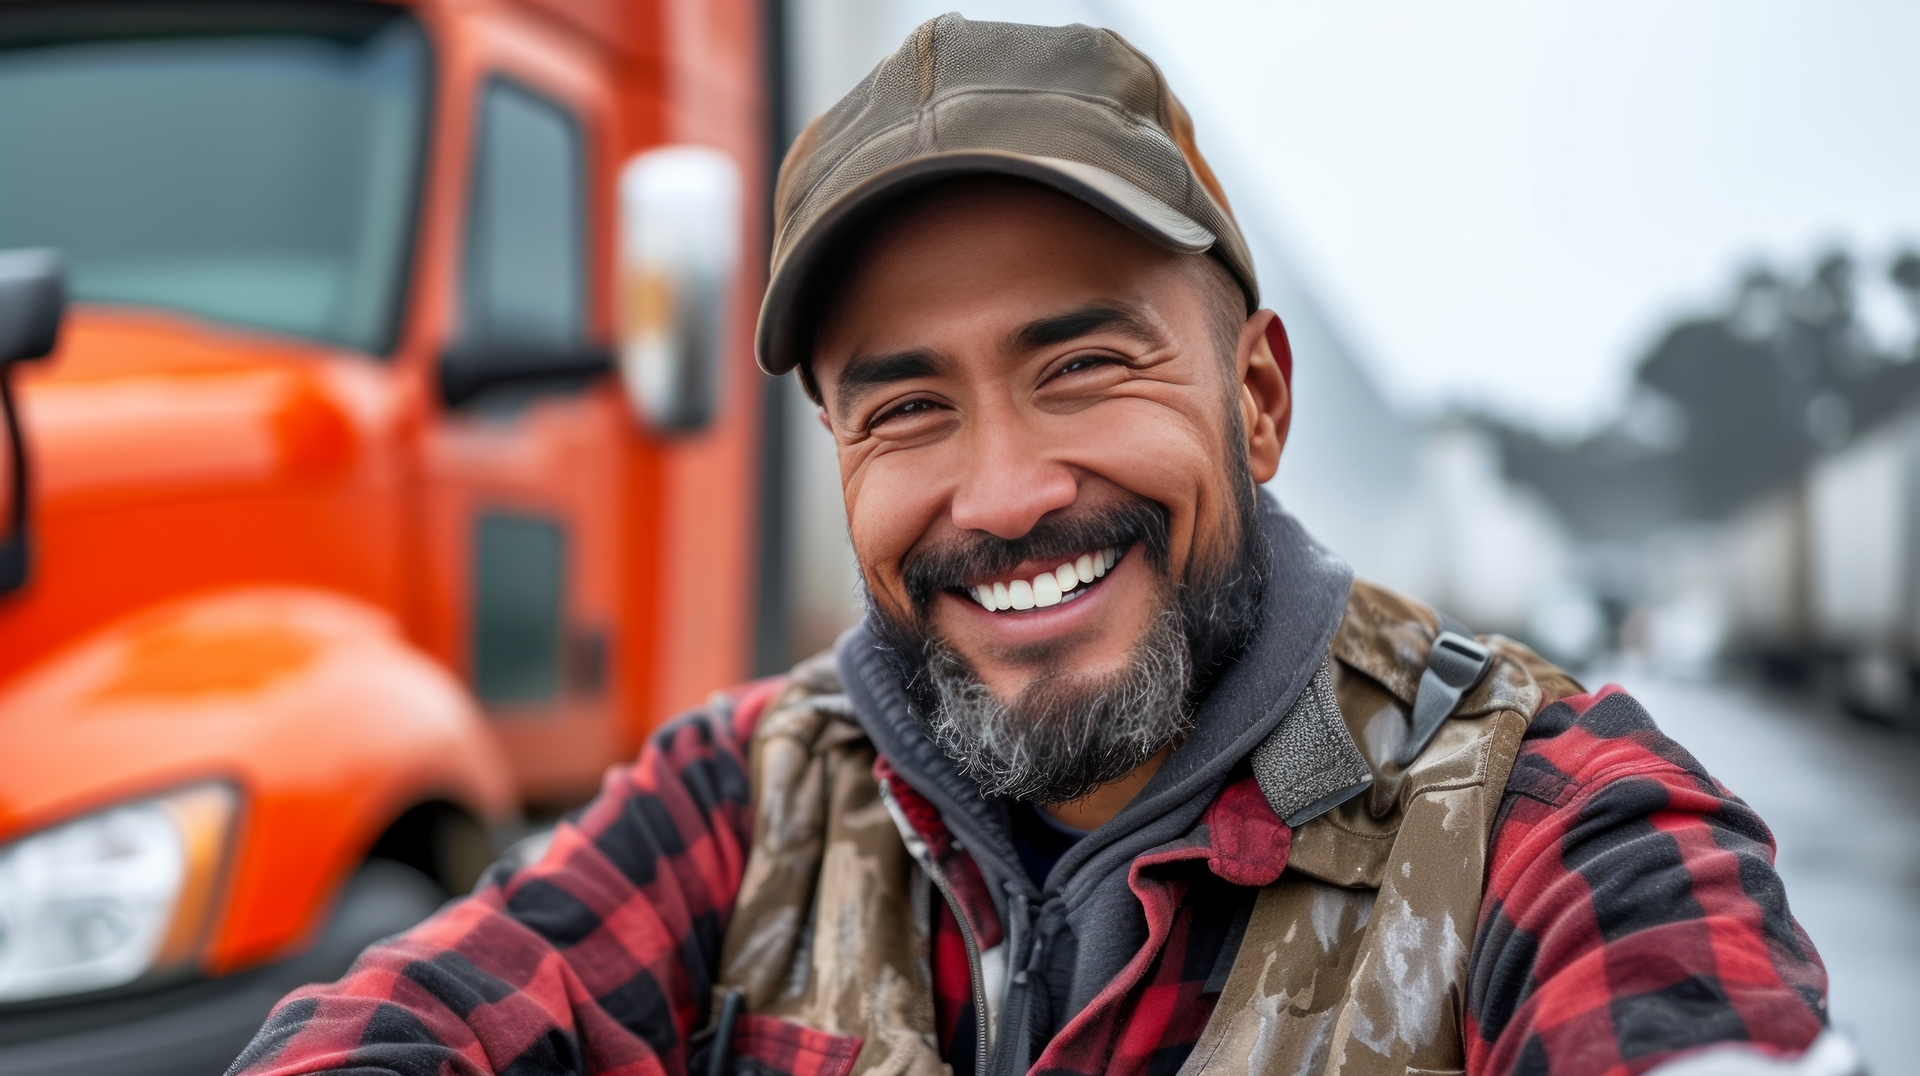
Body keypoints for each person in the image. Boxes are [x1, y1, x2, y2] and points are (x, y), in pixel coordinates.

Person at [229, 16, 1842, 1076]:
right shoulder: (750, 796)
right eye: (907, 408)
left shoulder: (1557, 827)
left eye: (1083, 366)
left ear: (1258, 400)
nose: (999, 496)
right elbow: (400, 1021)